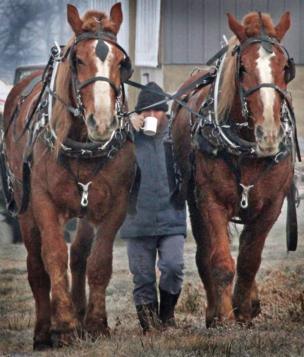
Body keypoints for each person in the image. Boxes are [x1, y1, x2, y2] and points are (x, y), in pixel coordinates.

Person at [120, 82, 187, 334]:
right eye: (145, 112)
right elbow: (100, 139)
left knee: (173, 267)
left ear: (166, 114)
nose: (150, 116)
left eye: (156, 111)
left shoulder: (177, 138)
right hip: (136, 222)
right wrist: (126, 127)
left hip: (172, 219)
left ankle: (167, 316)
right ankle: (150, 327)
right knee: (143, 277)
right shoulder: (128, 139)